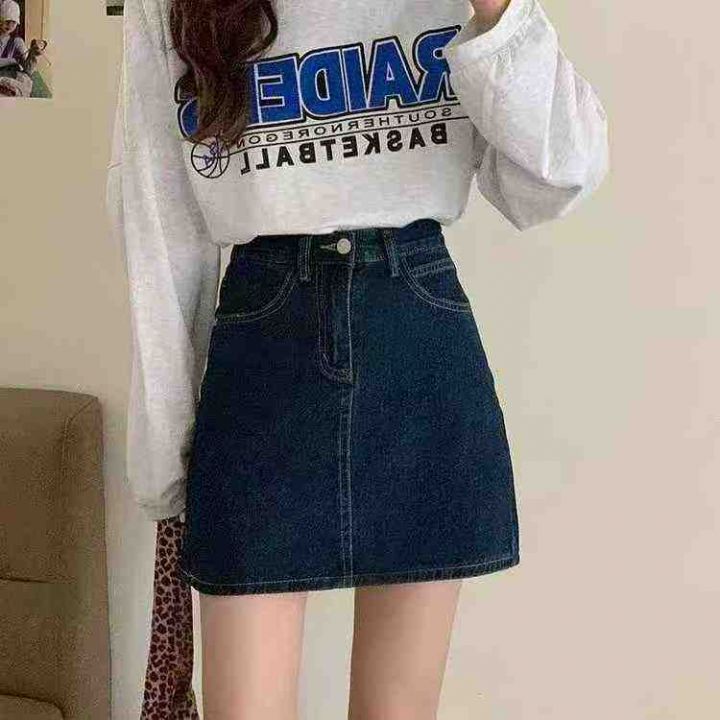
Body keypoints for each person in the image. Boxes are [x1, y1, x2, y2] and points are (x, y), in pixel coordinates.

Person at [106, 0, 609, 717]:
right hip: (261, 347)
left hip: (416, 333)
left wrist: (497, 12)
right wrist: (166, 465)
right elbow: (160, 222)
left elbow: (560, 176)